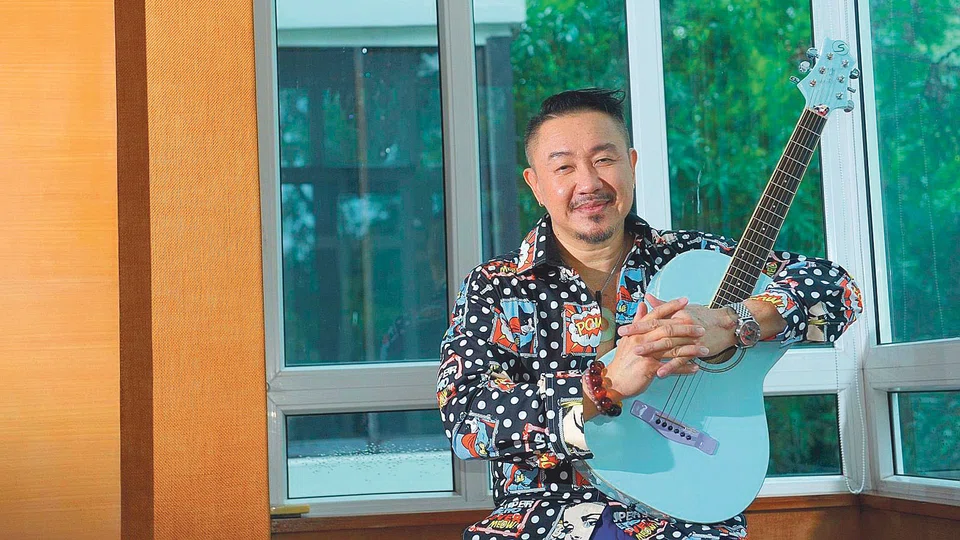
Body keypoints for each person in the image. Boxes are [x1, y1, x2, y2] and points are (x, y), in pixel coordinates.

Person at [438, 88, 862, 540]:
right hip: (544, 514)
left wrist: (733, 322)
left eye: (604, 160)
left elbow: (841, 292)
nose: (589, 183)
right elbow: (466, 420)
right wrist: (605, 385)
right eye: (564, 167)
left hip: (691, 514)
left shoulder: (694, 258)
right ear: (536, 185)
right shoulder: (495, 286)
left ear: (632, 165)